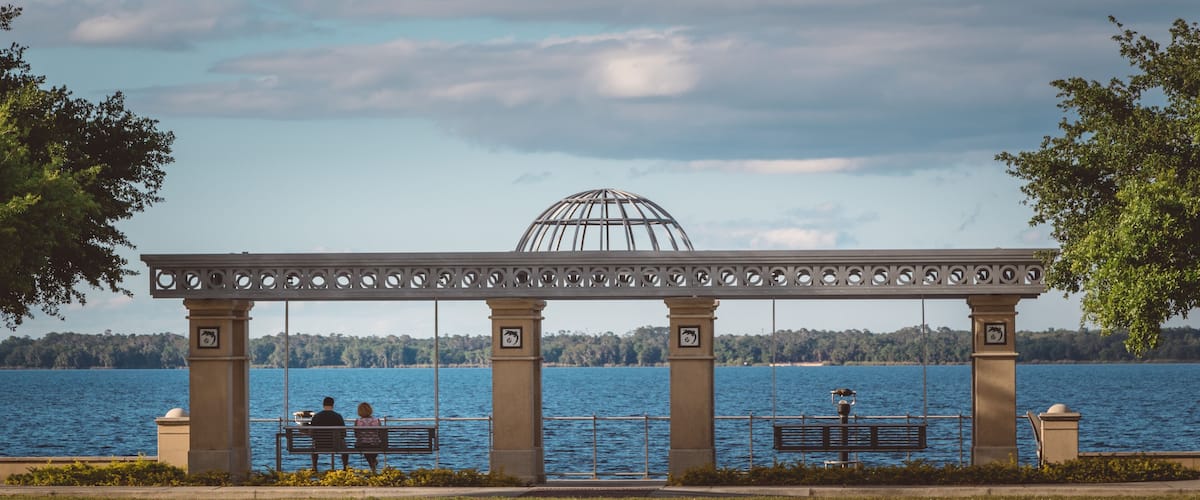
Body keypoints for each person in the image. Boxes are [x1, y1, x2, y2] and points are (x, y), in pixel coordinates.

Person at [308, 396, 348, 471]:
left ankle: (314, 467)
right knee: (344, 445)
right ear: (333, 405)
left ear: (323, 405)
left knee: (313, 444)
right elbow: (344, 434)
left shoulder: (316, 416)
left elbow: (311, 434)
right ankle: (345, 467)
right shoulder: (338, 416)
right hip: (335, 444)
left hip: (319, 444)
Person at [354, 402, 384, 473]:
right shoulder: (377, 420)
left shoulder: (357, 421)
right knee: (372, 448)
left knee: (366, 448)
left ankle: (373, 466)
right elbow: (380, 434)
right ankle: (373, 464)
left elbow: (356, 435)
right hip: (375, 445)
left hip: (362, 445)